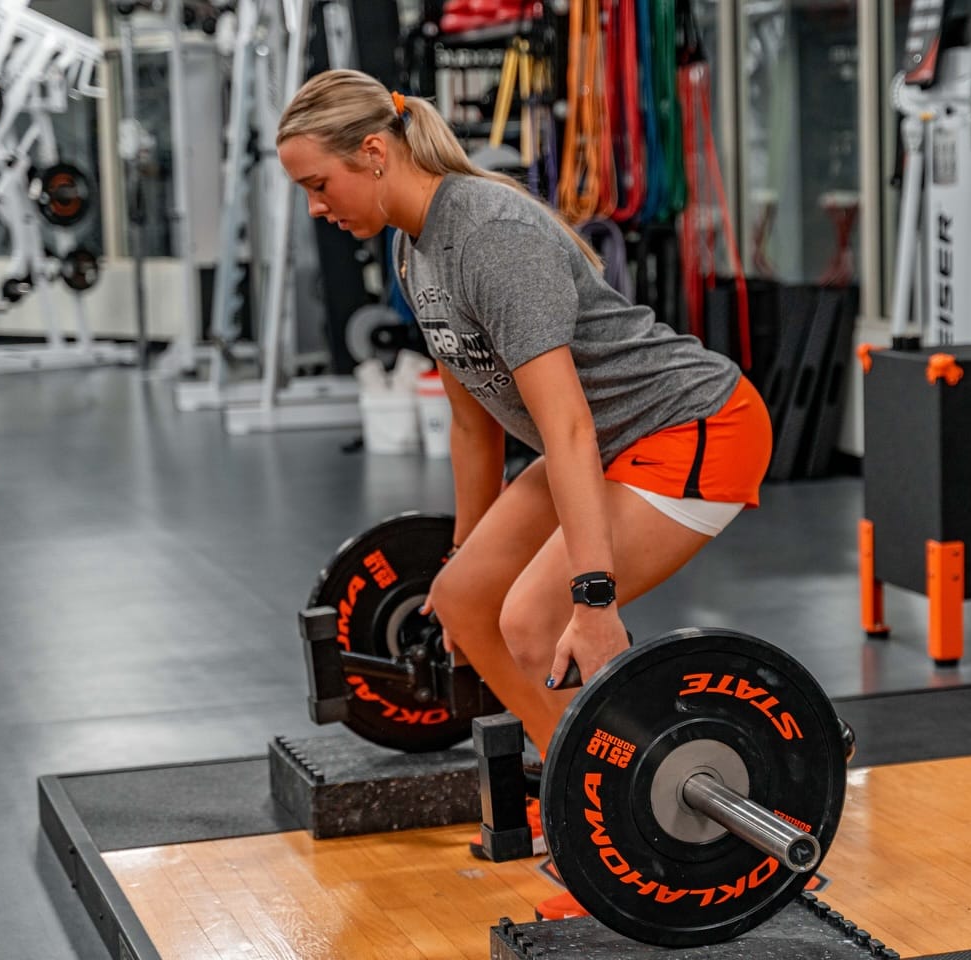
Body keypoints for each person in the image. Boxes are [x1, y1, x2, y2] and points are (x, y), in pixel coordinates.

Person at [276, 69, 772, 882]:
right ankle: (581, 790)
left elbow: (568, 426)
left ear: (372, 153)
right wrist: (467, 552)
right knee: (470, 603)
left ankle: (620, 834)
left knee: (540, 621)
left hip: (693, 428)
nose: (316, 206)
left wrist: (596, 598)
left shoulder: (488, 236)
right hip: (600, 441)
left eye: (318, 184)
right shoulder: (415, 249)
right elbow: (474, 418)